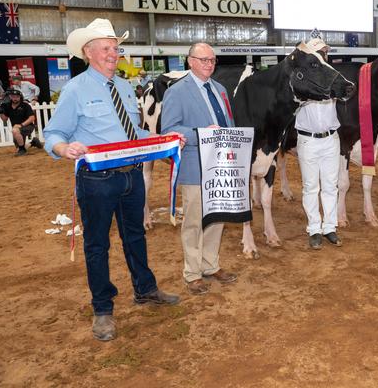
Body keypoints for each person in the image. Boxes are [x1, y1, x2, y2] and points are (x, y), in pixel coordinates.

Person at [43, 18, 182, 342]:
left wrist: (164, 138)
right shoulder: (75, 90)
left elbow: (131, 134)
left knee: (135, 237)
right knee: (97, 245)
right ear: (89, 52)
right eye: (106, 48)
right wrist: (64, 148)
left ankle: (145, 289)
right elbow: (53, 133)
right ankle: (102, 308)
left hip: (131, 176)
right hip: (97, 180)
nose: (112, 53)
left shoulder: (122, 87)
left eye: (115, 48)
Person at [161, 42, 237, 296]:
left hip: (221, 164)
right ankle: (192, 273)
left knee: (217, 217)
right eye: (203, 59)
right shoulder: (177, 91)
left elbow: (228, 123)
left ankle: (210, 265)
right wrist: (201, 134)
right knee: (194, 220)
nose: (209, 64)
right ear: (190, 61)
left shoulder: (220, 89)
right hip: (195, 165)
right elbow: (169, 130)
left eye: (212, 60)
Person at [294, 38, 342, 250]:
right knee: (310, 187)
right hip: (308, 139)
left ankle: (330, 226)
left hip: (331, 138)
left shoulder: (333, 75)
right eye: (320, 51)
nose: (324, 54)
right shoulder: (301, 78)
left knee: (331, 185)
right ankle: (314, 228)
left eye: (325, 51)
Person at [0, 89, 42, 155]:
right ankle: (32, 142)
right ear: (10, 97)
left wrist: (21, 125)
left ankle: (22, 150)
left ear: (20, 97)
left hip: (28, 126)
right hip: (16, 130)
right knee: (19, 149)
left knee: (15, 130)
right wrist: (1, 112)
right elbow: (4, 119)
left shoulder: (25, 105)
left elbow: (32, 118)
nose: (15, 98)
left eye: (17, 97)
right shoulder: (7, 106)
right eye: (13, 96)